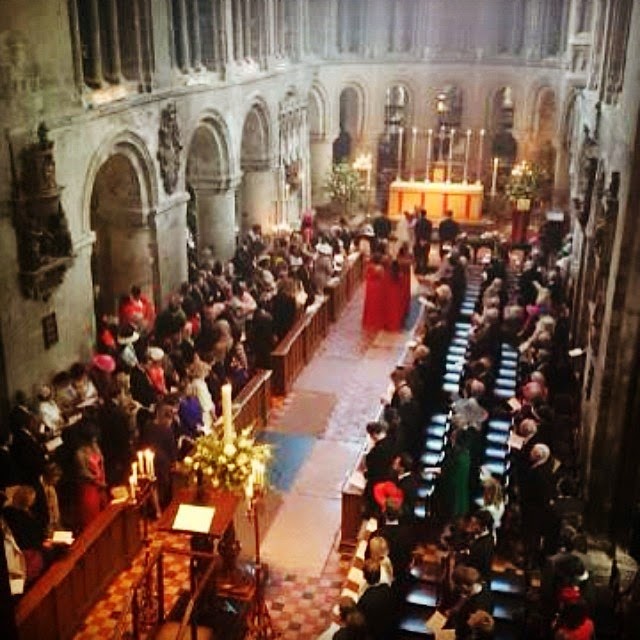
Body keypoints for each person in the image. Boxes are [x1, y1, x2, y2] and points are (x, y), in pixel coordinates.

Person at [74, 425, 108, 530]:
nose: (95, 440)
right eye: (93, 438)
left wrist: (103, 480)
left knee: (105, 514)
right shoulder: (79, 453)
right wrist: (98, 482)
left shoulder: (96, 447)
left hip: (100, 486)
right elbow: (84, 473)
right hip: (89, 488)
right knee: (92, 519)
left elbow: (102, 463)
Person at [356, 559, 397, 640]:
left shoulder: (364, 598)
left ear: (364, 576)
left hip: (373, 632)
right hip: (388, 627)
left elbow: (360, 618)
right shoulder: (387, 588)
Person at [362, 253, 386, 332]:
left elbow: (365, 275)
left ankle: (368, 320)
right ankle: (375, 320)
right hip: (377, 286)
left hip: (370, 286)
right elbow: (382, 277)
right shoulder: (380, 268)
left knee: (369, 302)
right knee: (376, 303)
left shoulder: (369, 266)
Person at [413, 209, 432, 274]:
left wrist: (420, 240)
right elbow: (429, 232)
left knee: (418, 255)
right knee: (425, 255)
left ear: (420, 214)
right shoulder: (429, 222)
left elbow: (416, 232)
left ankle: (418, 269)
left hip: (419, 241)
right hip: (426, 241)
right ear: (425, 214)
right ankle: (424, 269)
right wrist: (425, 240)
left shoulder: (418, 222)